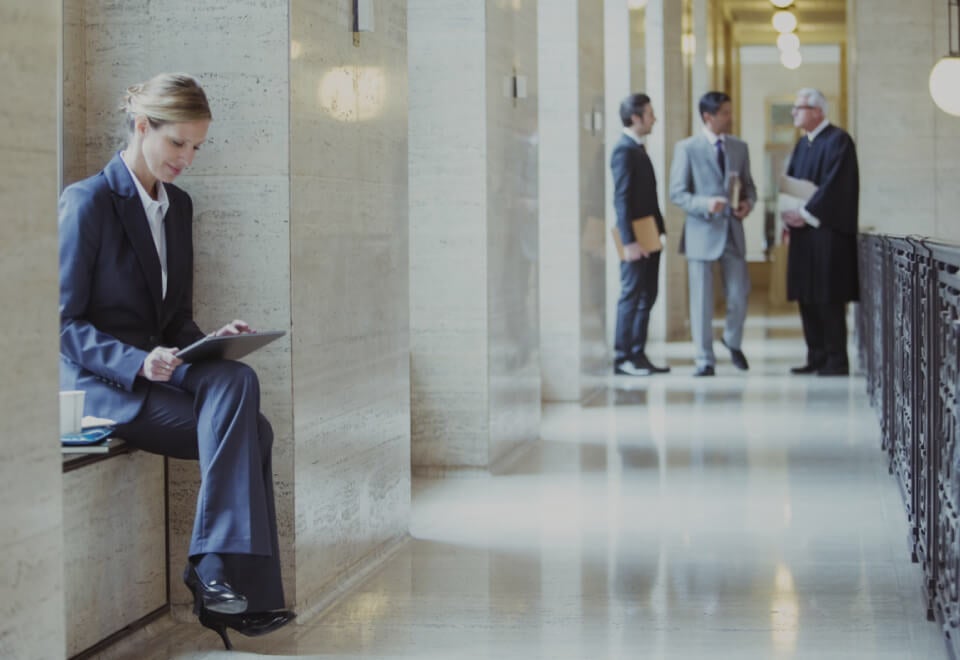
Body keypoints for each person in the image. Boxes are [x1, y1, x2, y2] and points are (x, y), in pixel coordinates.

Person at [58, 73, 295, 649]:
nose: (187, 158)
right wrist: (138, 364)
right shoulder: (89, 201)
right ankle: (227, 580)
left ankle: (216, 570)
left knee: (236, 374)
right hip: (105, 385)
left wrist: (207, 339)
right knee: (253, 432)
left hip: (164, 367)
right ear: (142, 127)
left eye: (196, 147)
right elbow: (61, 323)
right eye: (177, 143)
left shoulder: (178, 207)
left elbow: (172, 322)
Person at [669, 91, 756, 377]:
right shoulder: (687, 148)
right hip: (701, 233)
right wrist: (706, 204)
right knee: (702, 301)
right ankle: (704, 358)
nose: (730, 117)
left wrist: (747, 204)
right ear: (709, 116)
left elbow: (750, 189)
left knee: (739, 295)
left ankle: (732, 340)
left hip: (733, 232)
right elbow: (677, 194)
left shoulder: (740, 148)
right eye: (725, 113)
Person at [781, 88, 859, 376]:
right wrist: (788, 214)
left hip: (828, 234)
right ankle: (815, 356)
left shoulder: (839, 141)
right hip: (803, 235)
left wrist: (804, 214)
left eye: (799, 107)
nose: (794, 113)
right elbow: (792, 185)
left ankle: (836, 360)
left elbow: (836, 187)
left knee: (828, 296)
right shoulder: (803, 145)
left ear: (818, 111)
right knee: (807, 296)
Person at [610, 93, 670, 376]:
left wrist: (660, 231)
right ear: (636, 117)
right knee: (632, 295)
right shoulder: (623, 150)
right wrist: (630, 242)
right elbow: (621, 199)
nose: (654, 118)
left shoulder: (638, 148)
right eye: (650, 113)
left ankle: (638, 353)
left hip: (650, 234)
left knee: (648, 294)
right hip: (635, 237)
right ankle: (623, 357)